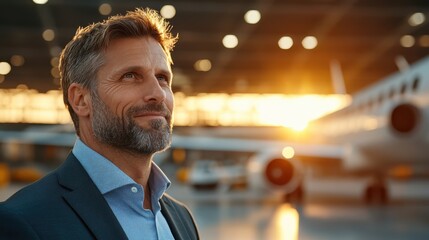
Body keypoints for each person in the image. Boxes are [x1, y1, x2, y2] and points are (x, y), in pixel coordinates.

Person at [0, 8, 199, 240]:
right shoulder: (22, 221)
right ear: (81, 100)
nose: (157, 93)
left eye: (163, 79)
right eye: (130, 76)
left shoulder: (182, 218)